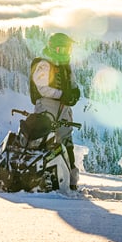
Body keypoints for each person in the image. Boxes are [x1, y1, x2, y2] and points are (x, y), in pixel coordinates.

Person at [29, 32, 82, 190]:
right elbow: (42, 87)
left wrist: (74, 93)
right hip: (47, 104)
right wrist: (62, 95)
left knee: (66, 141)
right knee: (45, 138)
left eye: (68, 49)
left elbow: (72, 84)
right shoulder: (44, 64)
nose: (67, 51)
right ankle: (40, 177)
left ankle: (71, 180)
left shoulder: (65, 66)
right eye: (64, 48)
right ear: (55, 48)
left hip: (63, 106)